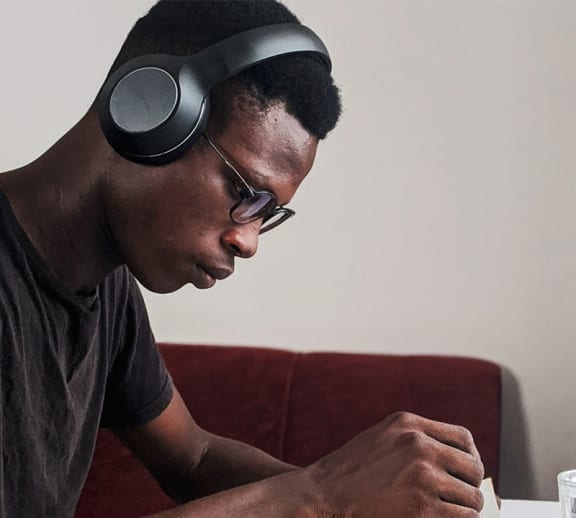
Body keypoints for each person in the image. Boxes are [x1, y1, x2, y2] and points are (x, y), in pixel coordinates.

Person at [0, 1, 485, 517]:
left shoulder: (108, 289)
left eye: (267, 213)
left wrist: (365, 492)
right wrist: (320, 497)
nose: (249, 242)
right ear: (147, 111)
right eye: (246, 191)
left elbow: (193, 458)